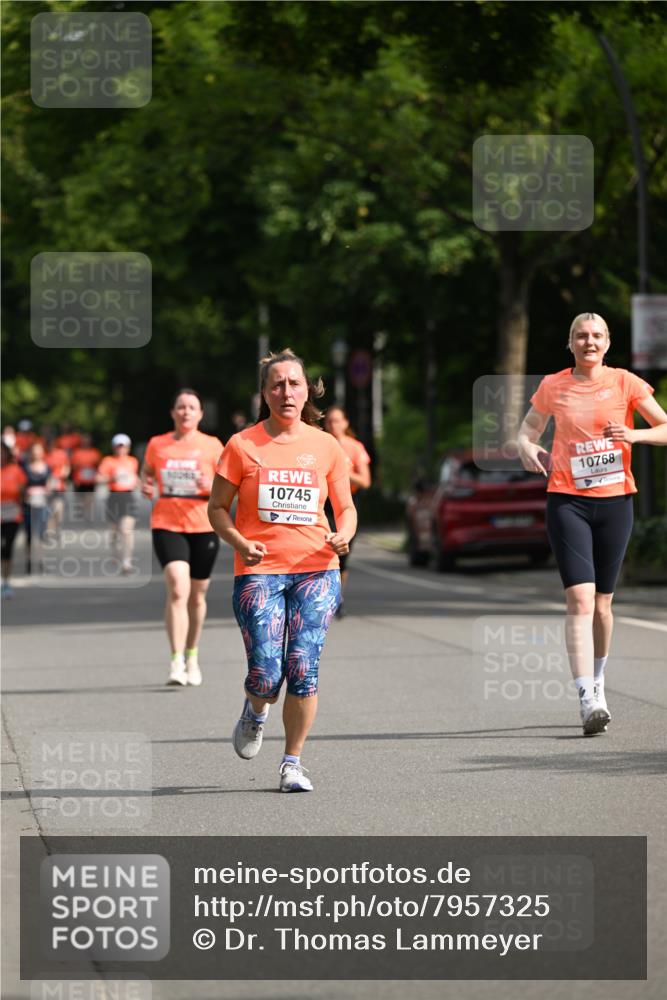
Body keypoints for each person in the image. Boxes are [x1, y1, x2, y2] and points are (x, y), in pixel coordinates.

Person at [209, 349, 357, 792]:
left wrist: (344, 535)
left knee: (303, 666)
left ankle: (293, 763)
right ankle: (256, 709)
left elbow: (346, 508)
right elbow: (217, 508)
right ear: (265, 393)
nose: (286, 392)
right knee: (266, 673)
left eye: (294, 383)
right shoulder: (242, 445)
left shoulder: (326, 445)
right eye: (277, 384)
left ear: (307, 390)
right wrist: (240, 542)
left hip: (317, 569)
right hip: (259, 571)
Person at [517, 312, 667, 736]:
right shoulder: (554, 385)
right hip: (568, 502)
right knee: (580, 602)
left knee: (603, 605)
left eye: (597, 335)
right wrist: (526, 447)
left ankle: (597, 681)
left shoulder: (626, 383)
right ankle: (587, 698)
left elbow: (665, 427)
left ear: (608, 342)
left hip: (616, 502)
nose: (589, 342)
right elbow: (527, 431)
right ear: (570, 343)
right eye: (581, 336)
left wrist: (634, 436)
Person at [141, 390, 224, 686]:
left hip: (203, 524)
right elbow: (147, 473)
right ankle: (176, 661)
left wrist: (210, 484)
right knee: (178, 588)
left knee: (197, 595)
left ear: (200, 414)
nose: (186, 412)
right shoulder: (158, 444)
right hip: (167, 522)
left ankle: (192, 655)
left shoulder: (213, 445)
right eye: (181, 407)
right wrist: (147, 485)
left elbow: (229, 485)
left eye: (192, 407)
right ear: (173, 413)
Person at [323, 405, 371, 617]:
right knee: (324, 549)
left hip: (347, 502)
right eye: (329, 421)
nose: (333, 425)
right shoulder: (321, 444)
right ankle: (322, 596)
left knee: (342, 554)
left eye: (337, 420)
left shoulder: (355, 447)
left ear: (345, 423)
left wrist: (341, 470)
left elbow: (365, 481)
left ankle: (338, 598)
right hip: (324, 503)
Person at [97, 434, 139, 575]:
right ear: (114, 447)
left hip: (128, 497)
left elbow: (136, 478)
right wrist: (111, 478)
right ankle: (115, 554)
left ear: (128, 448)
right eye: (118, 446)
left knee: (126, 530)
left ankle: (127, 562)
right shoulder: (108, 461)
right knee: (114, 532)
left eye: (123, 446)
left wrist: (139, 483)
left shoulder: (133, 461)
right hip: (114, 497)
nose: (121, 449)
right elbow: (98, 478)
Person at [1, 442, 27, 597]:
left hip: (11, 514)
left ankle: (6, 581)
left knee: (7, 547)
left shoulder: (15, 470)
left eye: (2, 452)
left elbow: (23, 492)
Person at [21, 442, 51, 574]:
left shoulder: (47, 468)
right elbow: (21, 485)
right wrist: (25, 493)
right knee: (29, 534)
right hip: (29, 504)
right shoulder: (25, 468)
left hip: (42, 503)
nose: (36, 454)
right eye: (34, 451)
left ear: (42, 453)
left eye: (39, 451)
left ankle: (41, 560)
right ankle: (28, 561)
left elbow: (50, 484)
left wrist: (47, 490)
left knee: (42, 533)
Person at [70, 433, 102, 522]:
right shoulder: (77, 452)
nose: (86, 442)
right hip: (79, 481)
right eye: (84, 441)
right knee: (80, 499)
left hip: (90, 481)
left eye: (87, 440)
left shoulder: (95, 452)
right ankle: (80, 516)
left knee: (89, 499)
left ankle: (88, 517)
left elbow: (98, 466)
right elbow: (72, 466)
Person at [45, 438, 70, 541]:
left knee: (59, 509)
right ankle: (50, 531)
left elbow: (67, 467)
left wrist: (64, 474)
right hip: (48, 487)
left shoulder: (61, 454)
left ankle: (58, 528)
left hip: (59, 485)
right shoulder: (44, 456)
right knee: (49, 510)